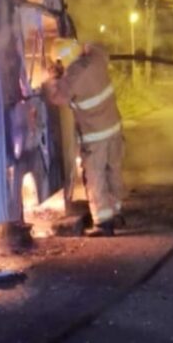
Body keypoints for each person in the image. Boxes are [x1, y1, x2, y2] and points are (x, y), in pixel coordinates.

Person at [42, 38, 125, 237]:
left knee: (95, 177)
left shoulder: (72, 77)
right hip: (114, 129)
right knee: (113, 171)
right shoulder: (96, 59)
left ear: (62, 61)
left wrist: (53, 77)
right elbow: (99, 48)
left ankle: (104, 222)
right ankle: (117, 211)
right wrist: (85, 45)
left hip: (95, 136)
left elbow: (56, 97)